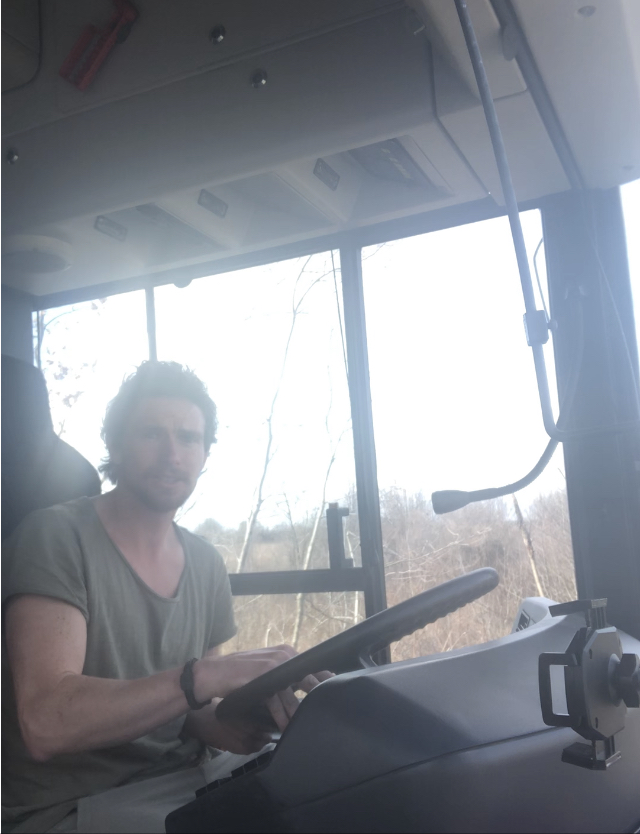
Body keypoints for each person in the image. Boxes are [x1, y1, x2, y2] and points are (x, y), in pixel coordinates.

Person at [2, 361, 327, 834]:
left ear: (204, 454)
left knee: (336, 785)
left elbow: (192, 715)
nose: (172, 454)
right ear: (116, 445)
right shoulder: (55, 536)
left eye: (189, 438)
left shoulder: (206, 563)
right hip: (75, 804)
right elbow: (46, 723)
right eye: (151, 434)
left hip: (188, 778)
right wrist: (203, 677)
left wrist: (248, 719)